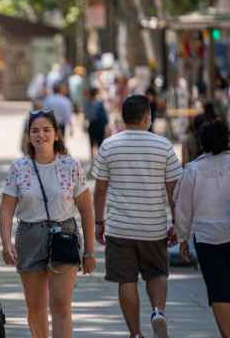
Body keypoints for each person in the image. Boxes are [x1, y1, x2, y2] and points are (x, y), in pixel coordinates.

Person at [0, 109, 96, 338]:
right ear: (28, 136)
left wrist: (90, 251)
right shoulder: (18, 168)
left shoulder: (71, 166)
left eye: (46, 130)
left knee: (61, 305)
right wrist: (6, 242)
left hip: (64, 234)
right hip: (29, 236)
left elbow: (86, 209)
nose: (40, 135)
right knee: (36, 308)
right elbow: (6, 209)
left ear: (57, 135)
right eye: (35, 130)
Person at [92, 94, 182, 338]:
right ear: (147, 117)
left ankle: (135, 333)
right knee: (157, 273)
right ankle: (158, 312)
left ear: (123, 117)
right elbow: (174, 190)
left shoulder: (109, 145)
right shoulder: (163, 146)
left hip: (120, 227)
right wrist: (177, 223)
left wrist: (99, 222)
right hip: (153, 225)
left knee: (126, 279)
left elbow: (100, 189)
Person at [174, 120, 230, 337]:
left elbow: (183, 208)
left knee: (218, 290)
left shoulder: (193, 170)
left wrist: (182, 238)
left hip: (207, 238)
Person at [84, 87, 109, 161]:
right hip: (99, 125)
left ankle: (92, 159)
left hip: (91, 124)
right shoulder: (99, 103)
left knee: (91, 142)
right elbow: (104, 115)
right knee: (99, 143)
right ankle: (99, 159)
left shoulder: (86, 103)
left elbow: (86, 115)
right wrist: (106, 124)